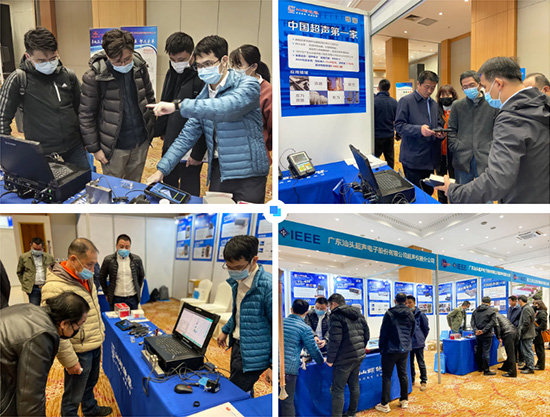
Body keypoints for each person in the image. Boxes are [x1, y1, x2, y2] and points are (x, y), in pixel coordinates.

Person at [146, 35, 270, 204]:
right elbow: (186, 137)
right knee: (218, 211)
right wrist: (161, 170)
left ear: (224, 60)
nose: (203, 69)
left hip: (249, 172)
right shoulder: (205, 94)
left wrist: (177, 106)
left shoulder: (248, 84)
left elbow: (225, 107)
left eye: (208, 64)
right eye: (199, 65)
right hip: (221, 168)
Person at [437, 57, 550, 204]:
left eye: (484, 86)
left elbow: (497, 181)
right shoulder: (541, 106)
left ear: (498, 83)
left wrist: (454, 191)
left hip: (521, 204)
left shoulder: (512, 118)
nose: (484, 92)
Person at [0, 27, 89, 170]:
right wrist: (8, 153)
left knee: (83, 181)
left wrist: (87, 140)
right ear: (28, 56)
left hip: (74, 148)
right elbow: (2, 118)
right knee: (47, 184)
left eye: (53, 58)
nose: (49, 63)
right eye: (41, 60)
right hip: (41, 151)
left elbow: (82, 110)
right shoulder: (18, 79)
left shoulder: (68, 76)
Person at [41, 238, 111, 417]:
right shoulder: (55, 287)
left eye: (95, 264)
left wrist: (100, 332)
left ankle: (90, 409)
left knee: (90, 384)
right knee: (73, 395)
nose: (93, 270)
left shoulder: (86, 278)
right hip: (77, 350)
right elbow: (54, 330)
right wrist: (70, 360)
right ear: (73, 259)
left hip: (93, 342)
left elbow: (94, 308)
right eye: (89, 264)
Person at [80, 29, 156, 182]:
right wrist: (95, 149)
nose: (124, 64)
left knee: (134, 185)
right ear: (107, 56)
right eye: (117, 61)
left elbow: (149, 97)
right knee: (113, 187)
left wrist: (151, 129)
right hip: (114, 147)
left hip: (140, 141)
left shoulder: (139, 66)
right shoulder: (94, 77)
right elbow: (86, 115)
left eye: (128, 59)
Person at [0, 292, 89, 417]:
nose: (79, 330)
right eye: (79, 325)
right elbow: (30, 397)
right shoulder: (42, 336)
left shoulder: (35, 311)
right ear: (64, 323)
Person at [216, 235, 272, 396]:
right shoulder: (237, 281)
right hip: (238, 345)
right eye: (229, 267)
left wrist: (272, 365)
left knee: (233, 392)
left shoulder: (268, 286)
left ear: (254, 260)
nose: (234, 272)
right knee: (243, 390)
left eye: (239, 267)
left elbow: (278, 329)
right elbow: (239, 312)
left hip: (256, 352)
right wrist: (226, 330)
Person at [154, 32, 206, 195]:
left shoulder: (202, 77)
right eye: (173, 59)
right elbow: (166, 98)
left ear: (192, 54)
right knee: (168, 181)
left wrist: (198, 153)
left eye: (181, 59)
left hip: (191, 141)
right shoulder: (171, 73)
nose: (177, 63)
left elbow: (204, 117)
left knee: (189, 185)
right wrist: (162, 130)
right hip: (171, 137)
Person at [395, 70, 446, 195]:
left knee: (428, 192)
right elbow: (399, 126)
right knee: (416, 194)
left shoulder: (434, 104)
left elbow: (438, 123)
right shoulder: (406, 101)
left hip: (431, 158)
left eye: (433, 88)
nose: (429, 91)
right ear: (418, 84)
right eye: (426, 87)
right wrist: (419, 130)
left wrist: (440, 133)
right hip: (413, 158)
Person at [446, 70, 498, 187]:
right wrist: (456, 146)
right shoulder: (457, 105)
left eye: (472, 85)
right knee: (462, 193)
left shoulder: (492, 104)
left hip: (486, 158)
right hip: (462, 158)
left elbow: (498, 130)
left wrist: (491, 147)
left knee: (485, 194)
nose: (468, 89)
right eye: (465, 87)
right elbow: (451, 130)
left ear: (479, 84)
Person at [326, 293, 370, 417]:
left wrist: (330, 359)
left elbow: (335, 340)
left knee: (338, 390)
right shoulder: (358, 314)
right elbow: (366, 334)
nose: (329, 308)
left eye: (329, 305)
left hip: (343, 359)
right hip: (358, 356)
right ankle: (351, 413)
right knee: (354, 385)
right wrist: (360, 348)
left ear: (334, 304)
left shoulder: (336, 316)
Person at [281, 299, 325, 417]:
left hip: (275, 365)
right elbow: (313, 349)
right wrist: (321, 361)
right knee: (287, 402)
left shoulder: (281, 323)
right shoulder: (304, 328)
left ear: (291, 310)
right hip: (289, 369)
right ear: (306, 312)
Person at [229, 44, 272, 164]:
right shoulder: (231, 87)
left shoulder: (267, 91)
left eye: (239, 65)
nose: (234, 69)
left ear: (253, 67)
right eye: (232, 65)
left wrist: (264, 145)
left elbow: (272, 129)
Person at [375, 293, 415, 413]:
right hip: (404, 349)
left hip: (390, 350)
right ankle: (404, 400)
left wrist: (381, 348)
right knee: (403, 374)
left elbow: (383, 332)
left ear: (395, 300)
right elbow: (412, 331)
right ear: (405, 301)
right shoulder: (410, 314)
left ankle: (385, 404)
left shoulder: (389, 313)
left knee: (387, 376)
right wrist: (406, 343)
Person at [98, 234, 145, 310]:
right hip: (116, 298)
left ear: (130, 247)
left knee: (132, 318)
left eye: (127, 247)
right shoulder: (108, 260)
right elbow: (102, 277)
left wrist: (137, 290)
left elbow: (141, 276)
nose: (124, 249)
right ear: (116, 246)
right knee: (116, 318)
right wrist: (106, 293)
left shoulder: (136, 260)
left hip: (132, 298)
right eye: (121, 246)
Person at [435, 84, 458, 203]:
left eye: (448, 94)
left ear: (453, 96)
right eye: (442, 95)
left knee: (455, 180)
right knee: (440, 180)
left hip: (455, 152)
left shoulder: (458, 109)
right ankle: (442, 203)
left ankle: (455, 203)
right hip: (439, 152)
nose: (445, 97)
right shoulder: (435, 110)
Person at [17, 237, 55, 306]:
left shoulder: (49, 257)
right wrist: (26, 285)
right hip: (33, 288)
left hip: (47, 287)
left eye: (39, 249)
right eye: (34, 249)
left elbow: (55, 271)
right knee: (35, 309)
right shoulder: (24, 257)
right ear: (30, 246)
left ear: (43, 248)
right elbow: (20, 272)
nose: (37, 251)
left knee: (49, 307)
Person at [405, 295, 430, 390]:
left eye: (410, 302)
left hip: (418, 343)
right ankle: (411, 380)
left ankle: (423, 381)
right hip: (408, 343)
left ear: (414, 303)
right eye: (406, 303)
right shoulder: (405, 314)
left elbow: (426, 328)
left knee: (421, 362)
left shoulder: (420, 314)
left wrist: (422, 338)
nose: (408, 304)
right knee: (410, 363)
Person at [373, 79, 398, 169]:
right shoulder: (394, 102)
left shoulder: (373, 102)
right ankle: (391, 176)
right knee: (390, 160)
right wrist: (398, 134)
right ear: (389, 88)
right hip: (389, 136)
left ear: (378, 88)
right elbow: (398, 120)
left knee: (374, 160)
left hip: (376, 136)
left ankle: (375, 176)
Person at [471, 296, 497, 375]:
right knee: (486, 352)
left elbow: (472, 322)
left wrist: (476, 330)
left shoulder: (475, 310)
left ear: (482, 302)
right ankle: (486, 370)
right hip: (487, 334)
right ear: (490, 303)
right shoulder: (492, 311)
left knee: (479, 350)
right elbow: (492, 322)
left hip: (478, 335)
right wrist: (484, 331)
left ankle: (480, 368)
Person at [494, 310, 518, 378]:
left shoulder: (494, 316)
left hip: (508, 334)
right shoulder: (501, 315)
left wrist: (498, 337)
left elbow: (497, 327)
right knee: (510, 352)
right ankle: (506, 366)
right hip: (513, 332)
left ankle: (512, 372)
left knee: (510, 353)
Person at [517, 295, 536, 374]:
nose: (518, 303)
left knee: (528, 351)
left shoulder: (526, 309)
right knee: (525, 351)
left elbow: (526, 323)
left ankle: (530, 368)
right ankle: (528, 365)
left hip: (527, 334)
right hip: (527, 334)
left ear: (520, 301)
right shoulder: (527, 308)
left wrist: (521, 331)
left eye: (518, 301)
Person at [508, 295, 523, 365]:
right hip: (510, 329)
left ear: (514, 301)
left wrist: (516, 325)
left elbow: (520, 320)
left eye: (510, 301)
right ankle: (514, 359)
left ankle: (521, 360)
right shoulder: (509, 309)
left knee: (519, 345)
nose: (509, 302)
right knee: (513, 345)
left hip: (517, 329)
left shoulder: (520, 309)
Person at [533, 300, 548, 370]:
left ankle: (541, 366)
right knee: (538, 350)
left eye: (535, 304)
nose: (534, 306)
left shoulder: (542, 313)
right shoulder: (539, 312)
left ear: (538, 305)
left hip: (540, 334)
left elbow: (543, 324)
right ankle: (539, 364)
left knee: (540, 350)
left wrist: (537, 329)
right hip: (538, 334)